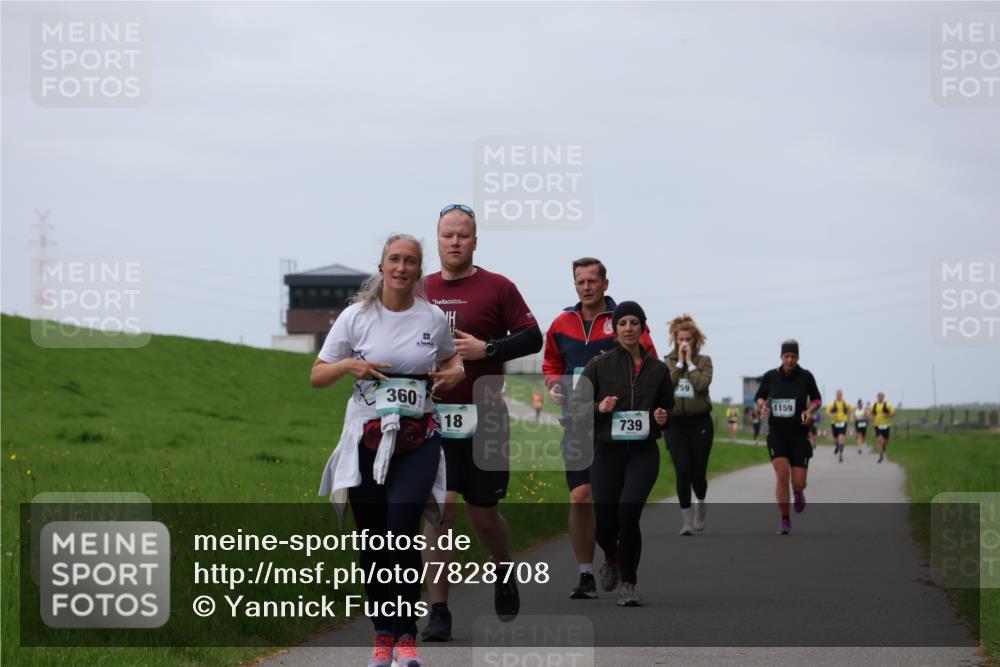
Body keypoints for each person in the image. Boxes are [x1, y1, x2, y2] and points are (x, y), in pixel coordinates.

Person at [314, 234, 465, 667]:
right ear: (381, 266)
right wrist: (349, 365)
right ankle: (383, 635)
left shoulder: (432, 317)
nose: (401, 267)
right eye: (394, 259)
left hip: (418, 437)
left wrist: (453, 375)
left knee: (401, 528)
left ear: (419, 271)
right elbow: (317, 376)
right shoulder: (355, 317)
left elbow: (452, 361)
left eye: (411, 261)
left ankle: (407, 636)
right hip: (366, 437)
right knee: (374, 539)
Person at [421, 204, 543, 641]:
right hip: (431, 420)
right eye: (447, 235)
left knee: (484, 514)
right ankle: (438, 611)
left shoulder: (498, 287)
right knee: (441, 511)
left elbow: (533, 336)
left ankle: (503, 568)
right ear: (436, 239)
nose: (454, 242)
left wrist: (487, 351)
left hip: (485, 419)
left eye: (463, 235)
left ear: (475, 241)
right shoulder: (419, 289)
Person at [541, 257, 657, 599]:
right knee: (580, 497)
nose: (586, 287)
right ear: (575, 285)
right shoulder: (562, 322)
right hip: (577, 421)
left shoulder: (623, 320)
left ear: (605, 284)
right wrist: (553, 384)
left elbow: (648, 360)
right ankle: (586, 573)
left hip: (616, 427)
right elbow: (551, 361)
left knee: (612, 504)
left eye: (592, 281)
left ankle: (614, 554)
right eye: (580, 282)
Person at [568, 301, 674, 607]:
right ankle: (611, 556)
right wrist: (598, 407)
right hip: (607, 453)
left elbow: (668, 406)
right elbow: (576, 406)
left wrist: (664, 416)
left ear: (642, 328)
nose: (628, 328)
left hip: (642, 453)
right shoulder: (599, 365)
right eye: (623, 323)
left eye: (634, 323)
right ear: (615, 329)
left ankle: (629, 582)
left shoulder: (657, 370)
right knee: (606, 522)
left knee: (629, 514)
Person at [755, 339, 821, 535]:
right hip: (777, 434)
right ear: (781, 357)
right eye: (786, 356)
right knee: (782, 474)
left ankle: (799, 491)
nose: (790, 360)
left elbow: (817, 399)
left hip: (799, 435)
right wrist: (762, 405)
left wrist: (810, 410)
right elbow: (760, 396)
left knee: (798, 481)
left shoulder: (806, 377)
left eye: (793, 356)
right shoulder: (770, 377)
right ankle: (785, 519)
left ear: (798, 357)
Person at [663, 314, 714, 535]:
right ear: (675, 340)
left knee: (698, 473)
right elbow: (666, 386)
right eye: (680, 339)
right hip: (675, 424)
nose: (684, 343)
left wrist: (691, 364)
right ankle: (686, 521)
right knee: (682, 470)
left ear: (695, 341)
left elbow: (702, 385)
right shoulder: (668, 362)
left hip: (700, 422)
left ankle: (700, 502)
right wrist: (680, 364)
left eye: (688, 340)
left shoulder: (705, 362)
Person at [827, 389, 851, 463]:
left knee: (841, 437)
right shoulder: (832, 403)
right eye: (838, 394)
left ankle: (840, 454)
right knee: (836, 439)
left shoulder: (846, 403)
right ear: (836, 395)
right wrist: (832, 414)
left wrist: (851, 416)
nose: (839, 395)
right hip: (834, 423)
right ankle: (837, 446)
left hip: (843, 422)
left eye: (840, 394)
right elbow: (828, 412)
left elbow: (851, 410)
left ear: (842, 394)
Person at [871, 392, 896, 463]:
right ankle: (881, 455)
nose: (880, 398)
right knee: (879, 439)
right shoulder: (874, 405)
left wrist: (888, 414)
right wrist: (872, 417)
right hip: (877, 425)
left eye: (881, 397)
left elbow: (894, 413)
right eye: (879, 397)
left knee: (886, 440)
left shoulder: (888, 405)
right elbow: (870, 413)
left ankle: (884, 446)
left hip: (886, 425)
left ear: (884, 397)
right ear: (877, 397)